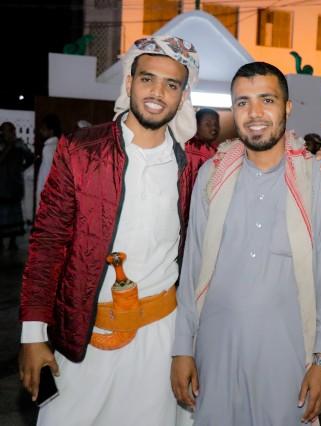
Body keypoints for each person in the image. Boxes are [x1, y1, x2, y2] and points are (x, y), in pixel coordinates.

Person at [19, 35, 202, 426]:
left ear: (183, 96)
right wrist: (33, 335)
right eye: (147, 79)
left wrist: (319, 162)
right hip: (83, 337)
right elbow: (47, 243)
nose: (158, 92)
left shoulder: (195, 162)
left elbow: (258, 159)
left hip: (159, 342)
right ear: (129, 82)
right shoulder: (81, 150)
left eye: (171, 84)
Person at [171, 61, 321, 425]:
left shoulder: (318, 178)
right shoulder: (212, 174)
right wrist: (182, 348)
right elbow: (192, 266)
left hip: (288, 359)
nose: (255, 113)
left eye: (267, 100)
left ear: (287, 107)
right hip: (215, 352)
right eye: (243, 102)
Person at [0, 121, 34, 251]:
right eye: (7, 130)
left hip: (14, 185)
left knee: (14, 214)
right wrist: (10, 146)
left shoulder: (19, 144)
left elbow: (31, 157)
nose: (11, 133)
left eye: (12, 130)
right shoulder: (2, 145)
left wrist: (21, 168)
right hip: (2, 184)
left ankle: (13, 241)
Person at [35, 114, 62, 209]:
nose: (40, 131)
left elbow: (47, 177)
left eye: (43, 129)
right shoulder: (58, 146)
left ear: (51, 131)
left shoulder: (49, 149)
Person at [184, 108, 220, 176]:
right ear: (196, 125)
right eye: (208, 124)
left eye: (216, 124)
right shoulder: (191, 148)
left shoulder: (217, 148)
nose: (214, 127)